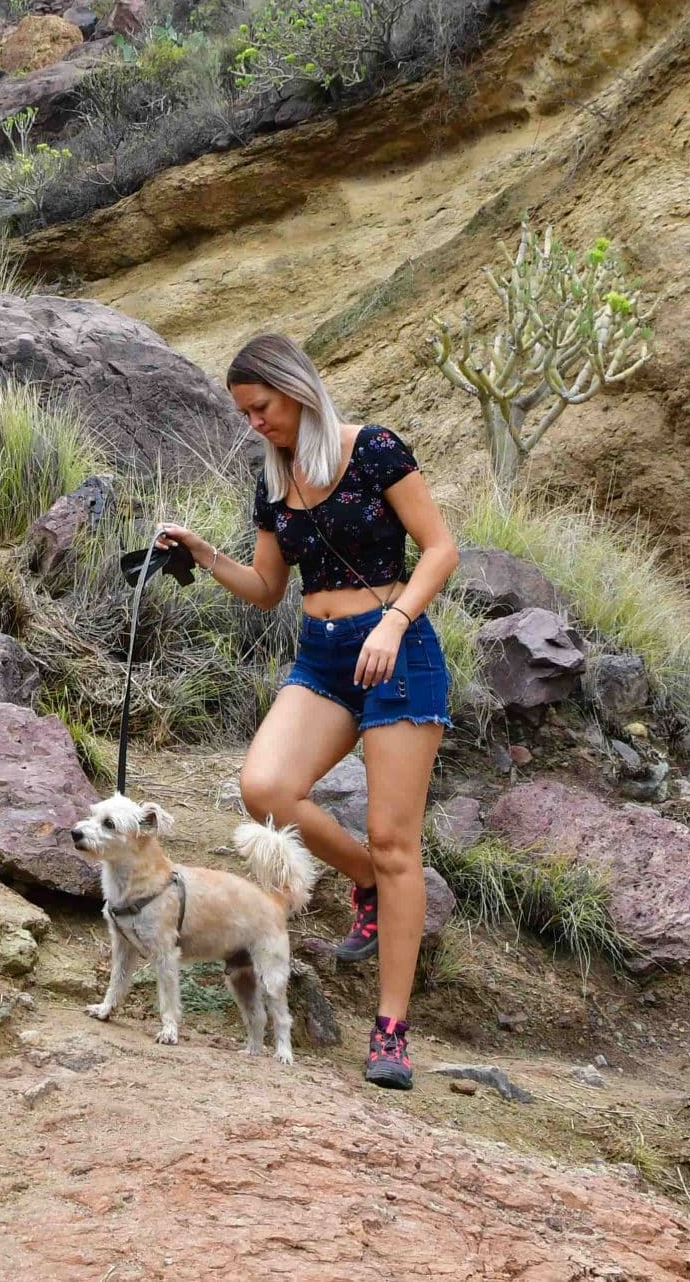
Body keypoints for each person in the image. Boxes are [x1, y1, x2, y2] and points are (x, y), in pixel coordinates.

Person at [153, 332, 460, 1091]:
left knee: (397, 840)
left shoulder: (375, 449)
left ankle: (391, 1031)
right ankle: (369, 884)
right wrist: (201, 553)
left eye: (261, 408)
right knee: (266, 789)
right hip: (323, 654)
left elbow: (441, 548)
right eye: (244, 414)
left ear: (294, 391)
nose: (253, 423)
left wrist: (394, 622)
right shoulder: (276, 480)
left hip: (397, 650)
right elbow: (265, 587)